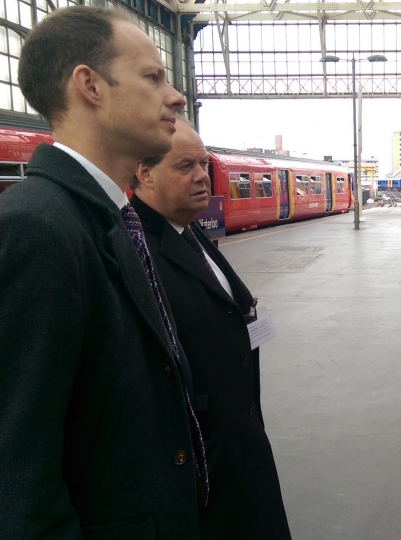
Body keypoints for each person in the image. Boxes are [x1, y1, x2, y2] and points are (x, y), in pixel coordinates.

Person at [0, 6, 203, 538]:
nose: (176, 96)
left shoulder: (109, 218)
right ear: (89, 85)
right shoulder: (36, 228)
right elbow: (19, 473)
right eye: (154, 77)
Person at [130, 120, 293, 539]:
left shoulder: (189, 232)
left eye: (204, 164)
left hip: (240, 447)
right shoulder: (137, 249)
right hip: (205, 471)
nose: (203, 176)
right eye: (186, 166)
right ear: (144, 172)